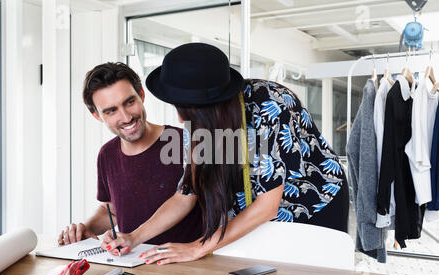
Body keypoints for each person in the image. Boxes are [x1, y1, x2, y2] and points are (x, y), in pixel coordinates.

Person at [101, 43, 349, 263]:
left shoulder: (271, 103)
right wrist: (134, 237)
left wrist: (197, 248)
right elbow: (186, 194)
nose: (179, 117)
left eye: (186, 108)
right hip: (253, 212)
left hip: (313, 204)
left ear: (211, 106)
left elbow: (267, 206)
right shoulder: (198, 123)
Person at [57, 62, 202, 248]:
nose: (126, 117)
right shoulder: (106, 154)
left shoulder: (186, 142)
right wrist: (86, 228)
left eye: (129, 102)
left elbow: (187, 200)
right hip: (132, 264)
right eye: (111, 111)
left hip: (188, 267)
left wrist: (133, 237)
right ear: (97, 116)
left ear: (141, 95)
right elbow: (113, 210)